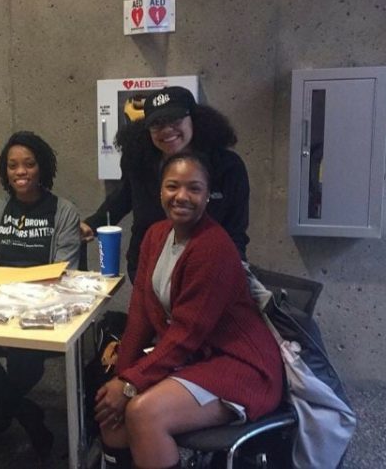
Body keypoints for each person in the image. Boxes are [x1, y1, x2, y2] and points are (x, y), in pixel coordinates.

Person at [94, 152, 282, 469]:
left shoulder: (213, 248)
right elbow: (139, 315)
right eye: (172, 186)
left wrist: (130, 385)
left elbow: (186, 334)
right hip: (195, 356)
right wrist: (122, 377)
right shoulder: (155, 235)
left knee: (143, 411)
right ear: (160, 191)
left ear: (208, 196)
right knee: (111, 408)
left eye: (194, 189)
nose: (182, 196)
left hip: (240, 366)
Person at [0, 131, 80, 459]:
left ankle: (4, 410)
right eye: (12, 165)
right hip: (0, 303)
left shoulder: (63, 210)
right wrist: (5, 301)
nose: (20, 171)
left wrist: (24, 298)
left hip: (44, 307)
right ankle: (25, 412)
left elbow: (64, 271)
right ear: (4, 171)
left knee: (26, 353)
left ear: (42, 168)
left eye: (28, 164)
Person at [80, 86, 250, 278]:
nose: (167, 130)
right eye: (157, 124)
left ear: (194, 119)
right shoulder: (138, 160)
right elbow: (123, 196)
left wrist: (235, 272)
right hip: (147, 264)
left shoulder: (228, 167)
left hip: (207, 269)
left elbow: (236, 230)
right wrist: (92, 224)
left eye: (175, 120)